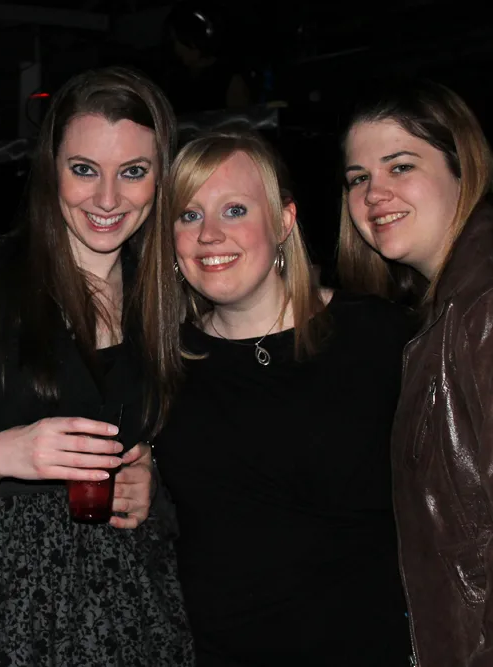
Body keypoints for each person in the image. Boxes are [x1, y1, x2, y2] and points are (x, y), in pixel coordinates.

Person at [0, 66, 194, 666]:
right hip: (7, 612)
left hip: (134, 607)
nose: (108, 199)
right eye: (84, 169)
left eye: (133, 172)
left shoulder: (165, 295)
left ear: (160, 177)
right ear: (50, 169)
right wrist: (2, 453)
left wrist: (149, 476)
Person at [154, 128, 414, 666]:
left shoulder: (379, 337)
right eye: (188, 215)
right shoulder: (162, 363)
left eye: (234, 210)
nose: (209, 235)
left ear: (283, 222)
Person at [338, 81, 493, 667]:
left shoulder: (483, 308)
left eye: (400, 166)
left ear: (463, 168)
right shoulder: (444, 311)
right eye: (357, 177)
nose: (374, 193)